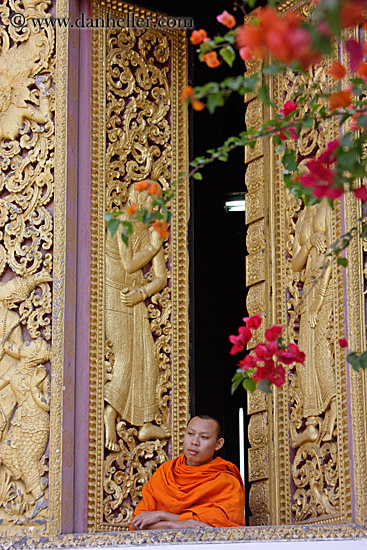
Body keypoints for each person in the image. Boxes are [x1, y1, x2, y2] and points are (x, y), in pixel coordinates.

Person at [104, 183, 169, 450]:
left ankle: (144, 423)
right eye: (153, 203)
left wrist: (142, 293)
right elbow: (130, 263)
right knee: (126, 356)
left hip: (134, 296)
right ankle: (110, 412)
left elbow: (161, 277)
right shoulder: (122, 222)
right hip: (114, 295)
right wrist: (154, 246)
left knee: (147, 358)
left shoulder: (152, 231)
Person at [130, 415, 245, 530]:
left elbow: (222, 523)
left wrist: (163, 516)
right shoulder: (166, 472)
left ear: (218, 444)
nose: (195, 442)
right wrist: (175, 524)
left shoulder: (225, 481)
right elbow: (138, 522)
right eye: (190, 434)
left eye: (204, 437)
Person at [291, 198, 336, 448]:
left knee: (321, 350)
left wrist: (319, 299)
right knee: (304, 357)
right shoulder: (303, 218)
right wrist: (308, 244)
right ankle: (311, 423)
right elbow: (295, 264)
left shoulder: (328, 206)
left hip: (325, 289)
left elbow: (334, 251)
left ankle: (333, 405)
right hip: (308, 287)